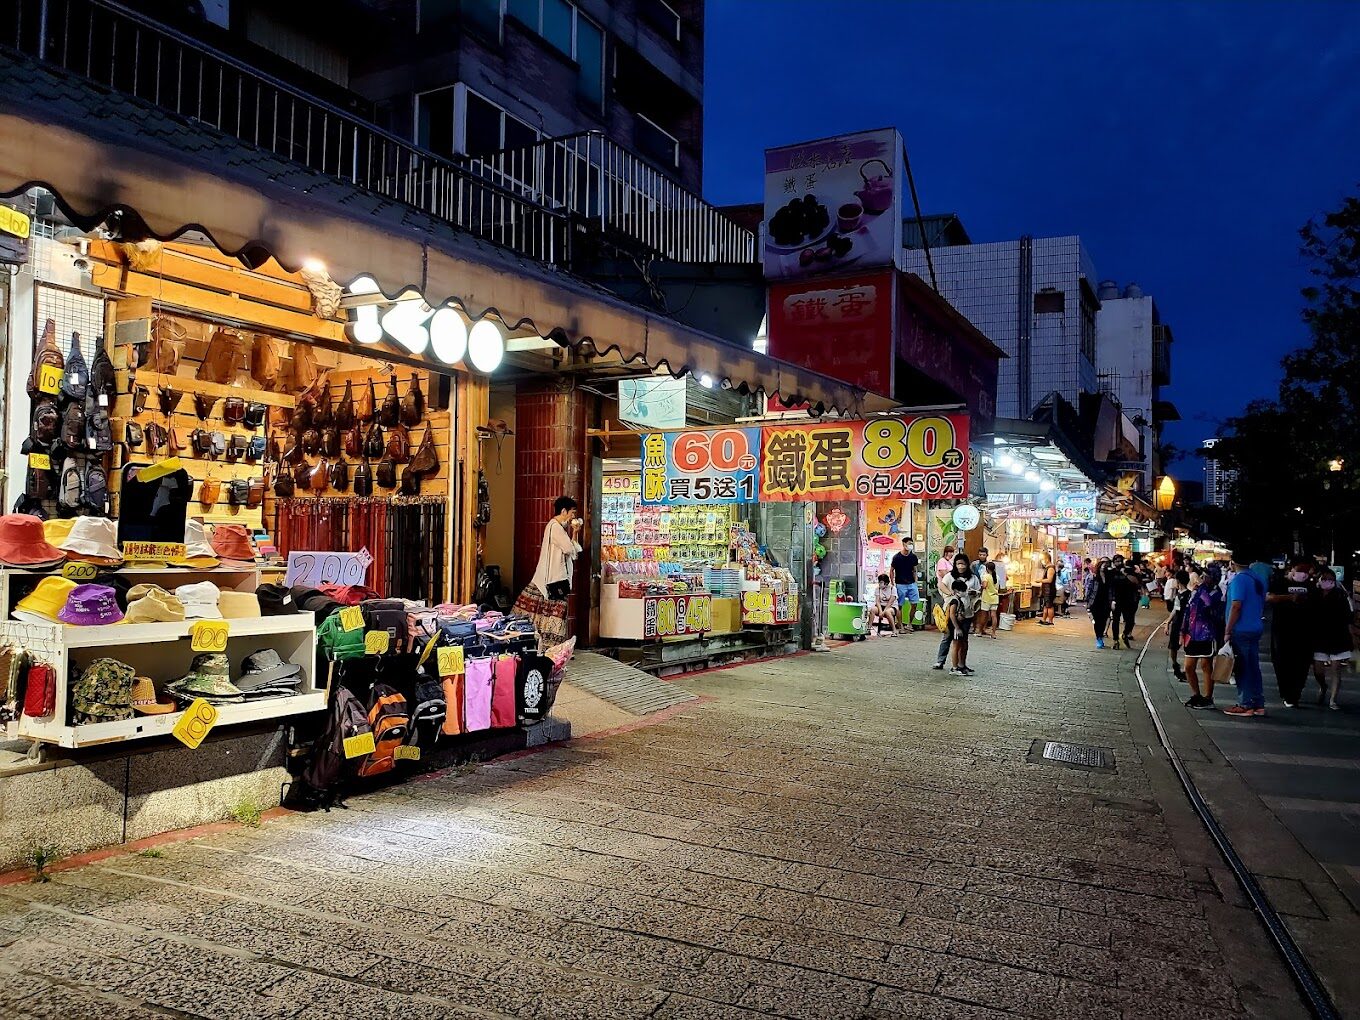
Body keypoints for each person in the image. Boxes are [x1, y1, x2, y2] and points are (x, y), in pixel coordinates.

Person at [512, 495, 583, 647]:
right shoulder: (556, 528)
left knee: (542, 610)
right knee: (555, 612)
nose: (573, 517)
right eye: (572, 513)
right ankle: (553, 645)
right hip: (554, 579)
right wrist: (575, 531)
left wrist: (574, 533)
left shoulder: (555, 527)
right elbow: (570, 549)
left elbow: (571, 550)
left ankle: (546, 644)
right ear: (564, 511)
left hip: (550, 578)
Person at [1223, 551, 1267, 718]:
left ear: (1233, 562)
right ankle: (1258, 704)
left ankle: (1245, 704)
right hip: (1255, 626)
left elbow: (1236, 606)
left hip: (1241, 629)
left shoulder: (1239, 580)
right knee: (1253, 667)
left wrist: (1227, 630)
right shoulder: (1258, 579)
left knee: (1242, 668)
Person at [1268, 558, 1314, 708]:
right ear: (1292, 569)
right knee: (1282, 662)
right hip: (1282, 630)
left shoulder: (1311, 585)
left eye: (1307, 571)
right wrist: (1290, 598)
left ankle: (1295, 693)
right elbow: (1270, 597)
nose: (1304, 574)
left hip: (1305, 631)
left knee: (1302, 663)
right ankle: (1286, 692)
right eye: (1301, 570)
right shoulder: (1279, 582)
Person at [1309, 567, 1353, 710]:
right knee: (1318, 670)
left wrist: (1353, 639)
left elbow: (1348, 618)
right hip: (1318, 637)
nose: (1327, 582)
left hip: (1338, 637)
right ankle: (1323, 686)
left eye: (1331, 580)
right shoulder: (1313, 595)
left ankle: (1333, 700)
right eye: (1324, 579)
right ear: (1319, 580)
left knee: (1336, 669)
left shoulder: (1340, 595)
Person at [1182, 567, 1224, 709]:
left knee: (1206, 665)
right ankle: (1196, 694)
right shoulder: (1197, 590)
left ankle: (1208, 697)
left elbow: (1209, 604)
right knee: (1188, 667)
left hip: (1207, 634)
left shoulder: (1216, 593)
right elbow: (1188, 609)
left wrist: (1200, 589)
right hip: (1192, 633)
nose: (1203, 577)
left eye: (1206, 575)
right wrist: (1183, 630)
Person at [940, 553, 981, 676]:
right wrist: (951, 594)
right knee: (955, 641)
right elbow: (941, 585)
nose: (961, 566)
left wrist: (973, 593)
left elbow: (979, 591)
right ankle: (953, 666)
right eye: (958, 564)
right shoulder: (949, 576)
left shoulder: (973, 577)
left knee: (964, 641)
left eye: (963, 564)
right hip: (955, 613)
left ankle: (962, 665)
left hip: (967, 612)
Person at [889, 537, 919, 634]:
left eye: (911, 543)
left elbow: (914, 569)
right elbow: (891, 570)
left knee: (914, 604)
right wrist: (893, 583)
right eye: (909, 543)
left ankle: (909, 624)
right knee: (900, 605)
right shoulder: (897, 557)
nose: (910, 545)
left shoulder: (913, 557)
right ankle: (900, 625)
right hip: (900, 584)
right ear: (904, 544)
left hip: (911, 584)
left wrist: (915, 581)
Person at [1109, 563, 1141, 649]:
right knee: (1116, 620)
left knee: (1129, 620)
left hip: (1128, 601)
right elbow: (1111, 588)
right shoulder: (1114, 575)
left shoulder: (1131, 576)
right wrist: (1112, 600)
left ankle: (1125, 634)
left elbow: (1137, 586)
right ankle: (1116, 640)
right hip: (1117, 600)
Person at [1166, 569, 1190, 681]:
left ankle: (1186, 670)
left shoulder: (1188, 595)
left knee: (1187, 648)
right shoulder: (1178, 594)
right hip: (1176, 623)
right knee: (1173, 646)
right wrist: (1168, 622)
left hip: (1185, 624)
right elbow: (1175, 609)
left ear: (1178, 581)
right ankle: (1176, 666)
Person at [1089, 557, 1113, 649]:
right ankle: (1098, 637)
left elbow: (1112, 590)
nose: (1104, 566)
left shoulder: (1110, 577)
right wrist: (1088, 603)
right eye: (1103, 563)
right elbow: (1089, 590)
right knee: (1097, 621)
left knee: (1103, 620)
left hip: (1106, 601)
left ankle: (1101, 635)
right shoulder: (1094, 577)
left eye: (1106, 564)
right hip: (1095, 601)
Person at [978, 561, 1000, 638]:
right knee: (994, 615)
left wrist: (981, 586)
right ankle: (993, 633)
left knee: (984, 615)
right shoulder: (997, 576)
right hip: (995, 598)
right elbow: (998, 587)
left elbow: (984, 586)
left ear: (987, 568)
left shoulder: (986, 576)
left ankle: (980, 631)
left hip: (986, 598)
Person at [1037, 553, 1056, 626]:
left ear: (1047, 559)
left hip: (1049, 590)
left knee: (1049, 606)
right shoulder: (1047, 567)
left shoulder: (1051, 568)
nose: (1042, 561)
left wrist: (1040, 580)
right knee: (1045, 605)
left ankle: (1050, 621)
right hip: (1046, 590)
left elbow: (1049, 580)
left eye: (1043, 559)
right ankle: (1044, 620)